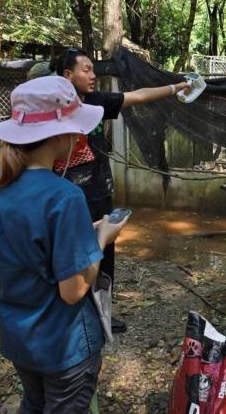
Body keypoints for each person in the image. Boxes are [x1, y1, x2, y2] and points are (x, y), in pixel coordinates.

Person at [0, 76, 127, 412]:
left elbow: (21, 243)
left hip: (19, 336)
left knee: (34, 400)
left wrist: (79, 233)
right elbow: (73, 290)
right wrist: (102, 237)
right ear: (61, 135)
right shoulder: (66, 196)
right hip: (64, 344)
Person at [51, 48, 191, 334]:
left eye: (93, 69)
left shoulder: (97, 101)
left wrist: (177, 86)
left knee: (105, 254)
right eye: (86, 70)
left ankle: (103, 313)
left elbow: (137, 96)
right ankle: (72, 314)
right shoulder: (52, 109)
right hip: (68, 192)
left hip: (99, 189)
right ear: (67, 75)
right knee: (72, 251)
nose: (93, 75)